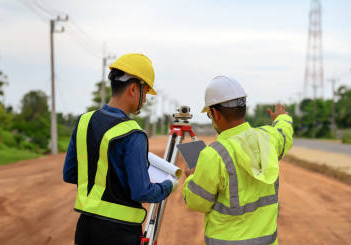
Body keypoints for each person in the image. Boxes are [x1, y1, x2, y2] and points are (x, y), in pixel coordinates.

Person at [63, 53, 176, 245]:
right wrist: (168, 186)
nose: (145, 100)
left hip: (85, 230)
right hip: (119, 234)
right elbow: (141, 192)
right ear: (133, 88)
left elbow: (71, 173)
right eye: (145, 92)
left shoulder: (84, 122)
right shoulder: (133, 134)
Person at [182, 76, 293, 245]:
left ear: (216, 114)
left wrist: (191, 177)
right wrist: (282, 118)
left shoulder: (213, 155)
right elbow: (284, 133)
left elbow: (197, 202)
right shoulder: (268, 138)